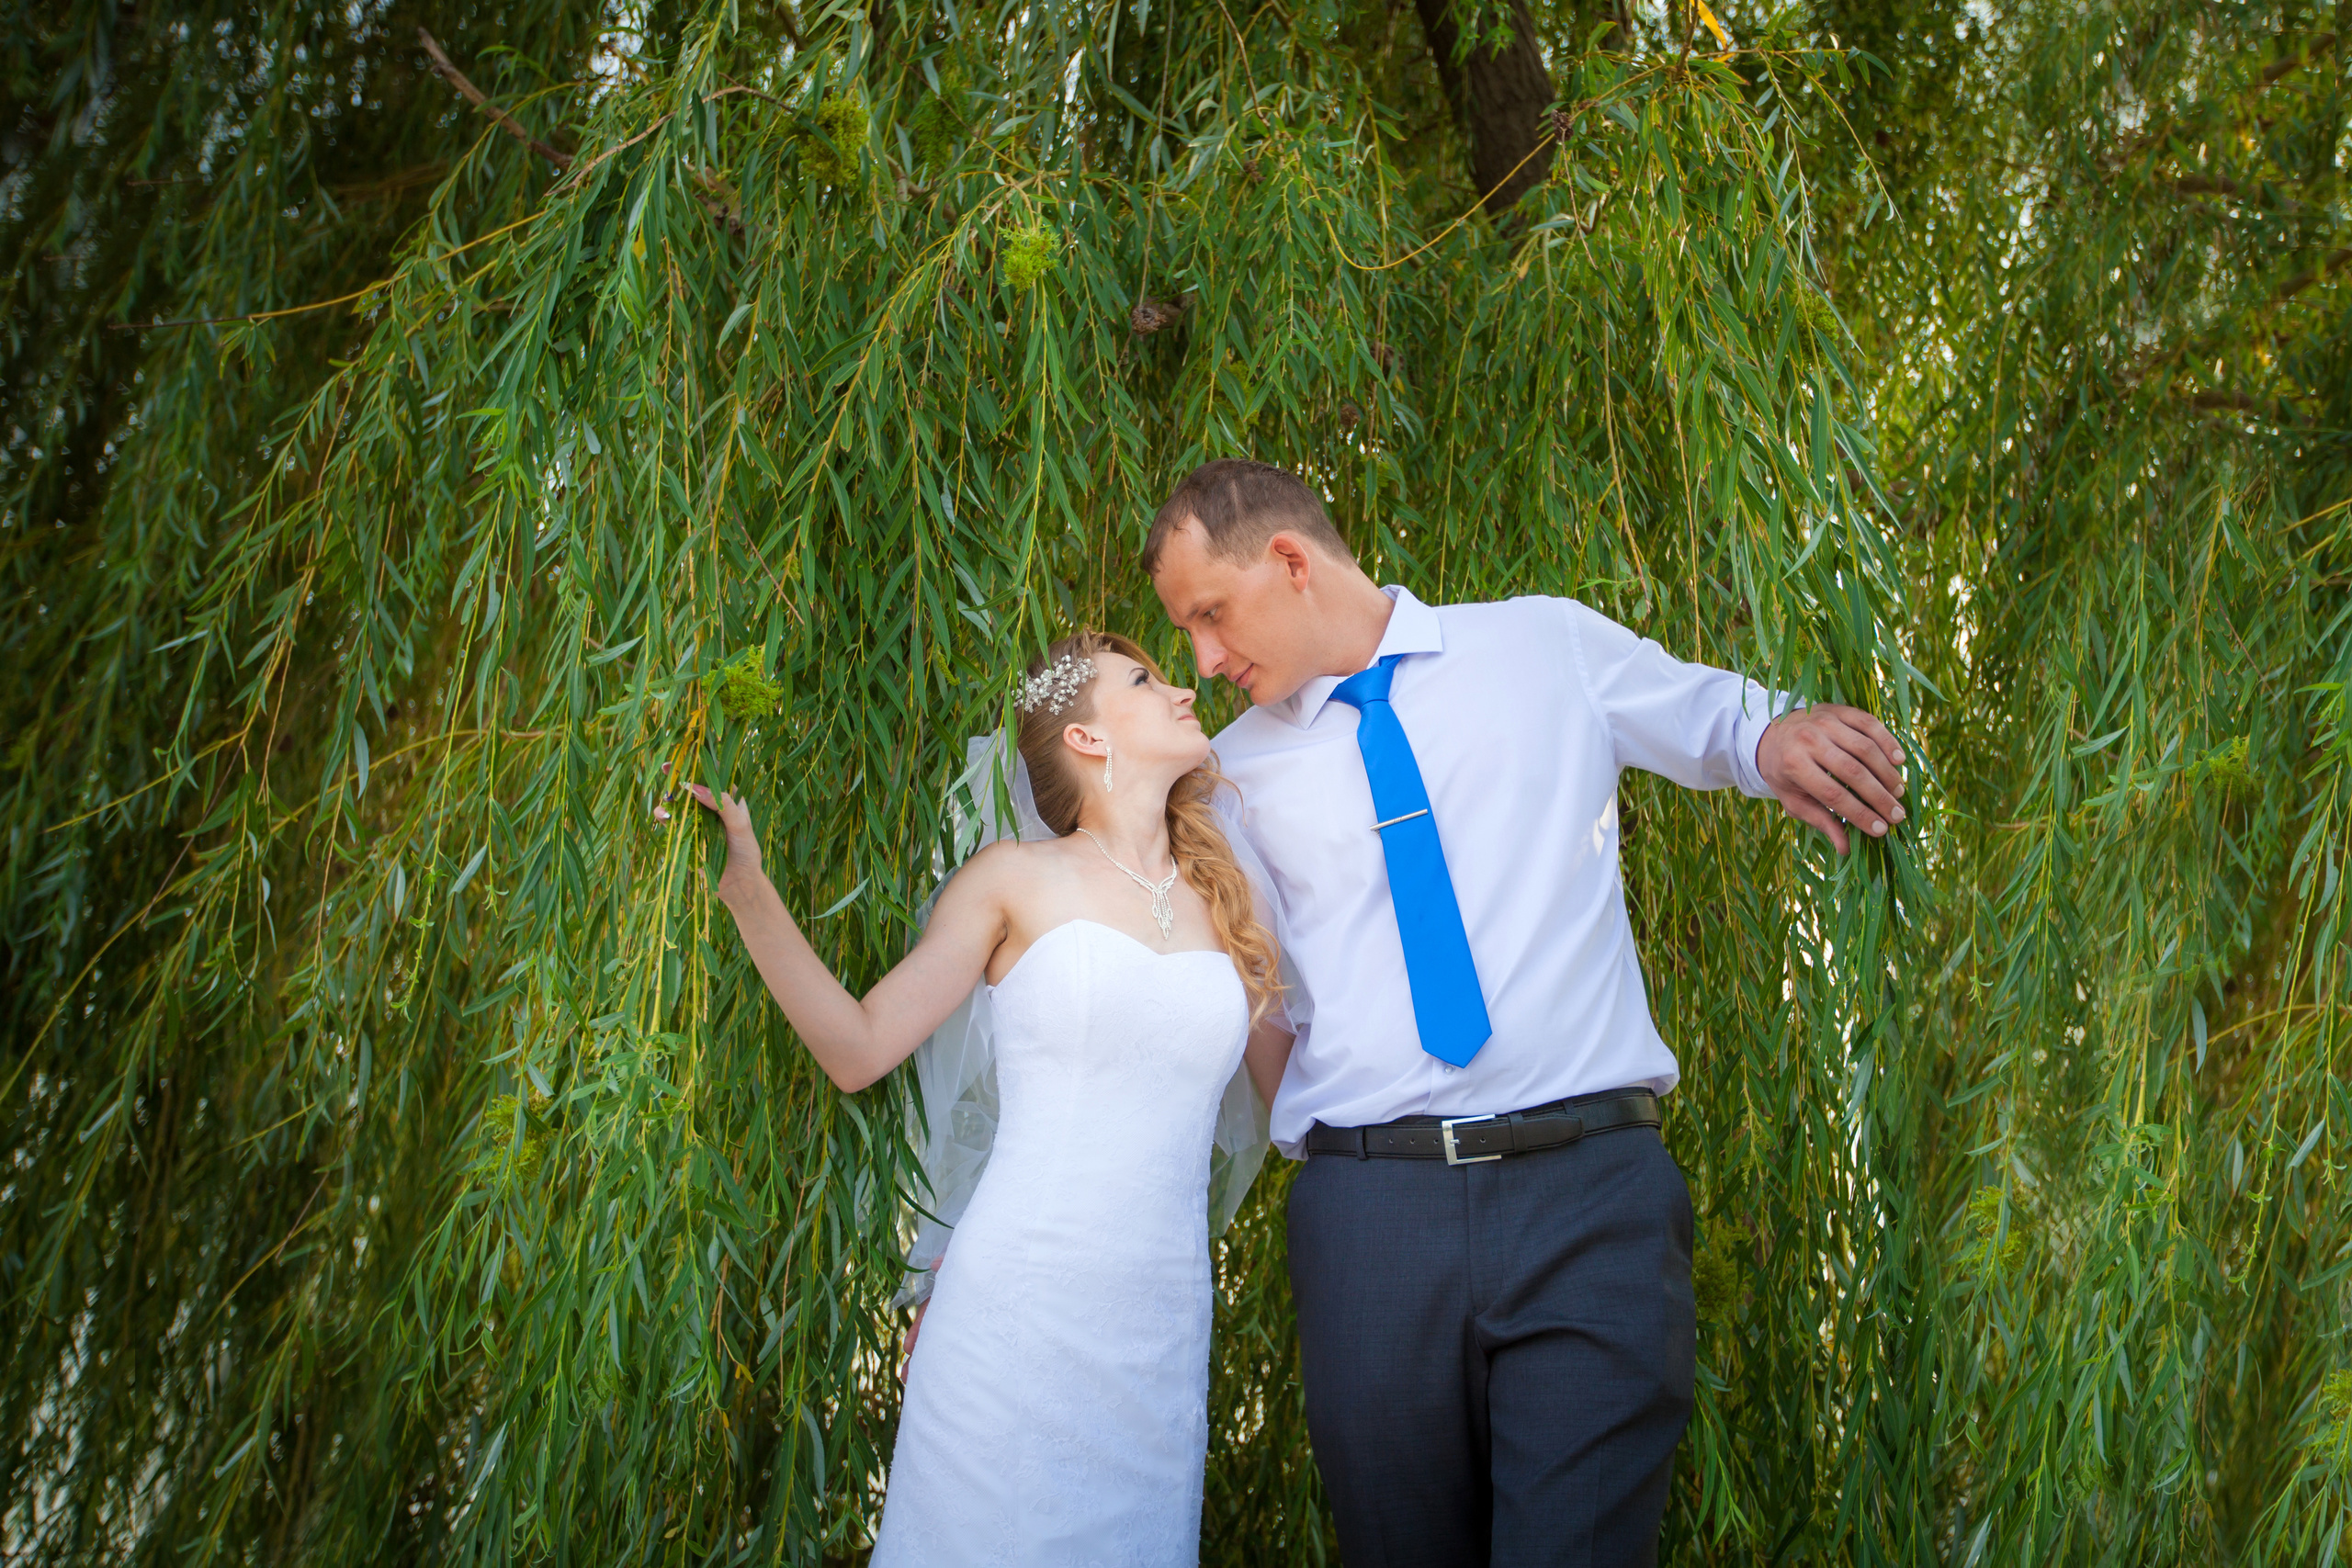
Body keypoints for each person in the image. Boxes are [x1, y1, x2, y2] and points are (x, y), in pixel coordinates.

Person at [1145, 458, 1907, 1568]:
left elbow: (1705, 718)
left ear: (1291, 561)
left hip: (1588, 1202)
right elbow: (1257, 1001)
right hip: (1371, 1225)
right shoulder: (1229, 777)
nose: (1204, 661)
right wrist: (1347, 1152)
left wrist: (1774, 738)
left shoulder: (1541, 646)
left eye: (1210, 615)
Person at [687, 631, 1294, 1568]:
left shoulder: (1228, 898)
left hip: (1158, 1326)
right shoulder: (1012, 879)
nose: (1182, 690)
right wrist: (749, 892)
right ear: (1088, 740)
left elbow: (1297, 1104)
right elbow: (857, 1049)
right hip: (1017, 1307)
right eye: (1145, 679)